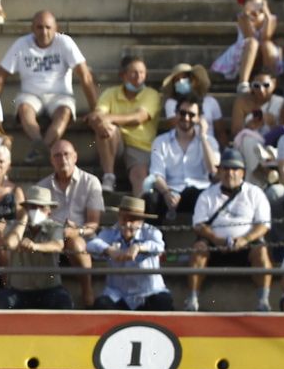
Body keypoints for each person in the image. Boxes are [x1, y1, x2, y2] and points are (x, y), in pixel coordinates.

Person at [0, 11, 96, 163]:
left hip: (60, 95)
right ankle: (41, 146)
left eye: (48, 27)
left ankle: (39, 149)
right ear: (32, 29)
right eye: (39, 27)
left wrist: (95, 109)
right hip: (30, 95)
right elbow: (1, 74)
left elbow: (85, 75)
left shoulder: (65, 42)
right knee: (23, 108)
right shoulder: (21, 44)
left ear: (56, 28)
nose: (44, 32)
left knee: (64, 111)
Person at [188, 151, 274, 313]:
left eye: (235, 169)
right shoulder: (207, 195)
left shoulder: (255, 193)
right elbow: (198, 224)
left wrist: (245, 239)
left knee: (261, 251)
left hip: (246, 245)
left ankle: (263, 301)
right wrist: (216, 239)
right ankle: (192, 300)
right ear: (219, 171)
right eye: (226, 169)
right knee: (199, 249)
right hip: (215, 245)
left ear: (243, 172)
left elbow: (263, 226)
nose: (230, 173)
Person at [38, 139, 102, 300]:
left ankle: (87, 290)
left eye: (66, 154)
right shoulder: (42, 186)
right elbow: (37, 221)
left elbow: (94, 223)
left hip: (82, 238)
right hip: (52, 237)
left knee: (75, 242)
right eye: (57, 155)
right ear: (52, 160)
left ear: (75, 157)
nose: (62, 159)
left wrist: (76, 230)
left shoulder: (91, 182)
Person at [89, 54, 163, 194]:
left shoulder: (151, 94)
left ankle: (139, 213)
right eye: (134, 72)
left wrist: (107, 118)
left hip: (140, 147)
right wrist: (100, 120)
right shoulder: (111, 93)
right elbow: (98, 113)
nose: (138, 77)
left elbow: (139, 117)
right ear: (123, 75)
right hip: (116, 143)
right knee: (105, 128)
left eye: (142, 73)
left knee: (139, 176)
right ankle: (109, 177)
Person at [0, 185, 74, 309]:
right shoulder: (14, 226)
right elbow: (10, 244)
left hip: (49, 290)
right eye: (32, 207)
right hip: (19, 291)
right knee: (0, 301)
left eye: (41, 207)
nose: (36, 211)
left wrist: (35, 246)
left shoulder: (55, 227)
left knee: (64, 301)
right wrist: (24, 219)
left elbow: (58, 245)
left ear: (49, 211)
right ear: (26, 208)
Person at [86, 196, 172, 311]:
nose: (127, 224)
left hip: (148, 292)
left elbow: (159, 246)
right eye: (124, 219)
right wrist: (109, 250)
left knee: (163, 302)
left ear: (141, 221)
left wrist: (139, 247)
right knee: (101, 304)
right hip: (118, 295)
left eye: (132, 220)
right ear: (119, 217)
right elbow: (91, 245)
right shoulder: (110, 232)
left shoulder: (151, 232)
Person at [143, 93, 219, 222]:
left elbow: (213, 170)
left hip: (199, 192)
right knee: (150, 199)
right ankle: (152, 239)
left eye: (192, 115)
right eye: (182, 113)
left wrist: (203, 137)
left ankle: (204, 240)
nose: (186, 118)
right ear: (176, 113)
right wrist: (166, 193)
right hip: (171, 191)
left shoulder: (210, 142)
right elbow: (156, 174)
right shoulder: (160, 142)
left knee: (207, 197)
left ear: (200, 118)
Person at [212, 0, 280, 94]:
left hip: (263, 52)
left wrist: (267, 14)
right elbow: (250, 36)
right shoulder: (242, 17)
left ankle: (269, 81)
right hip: (246, 50)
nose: (255, 7)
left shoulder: (271, 19)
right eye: (252, 3)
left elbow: (266, 37)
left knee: (267, 45)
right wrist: (247, 16)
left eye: (258, 4)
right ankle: (243, 83)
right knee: (252, 42)